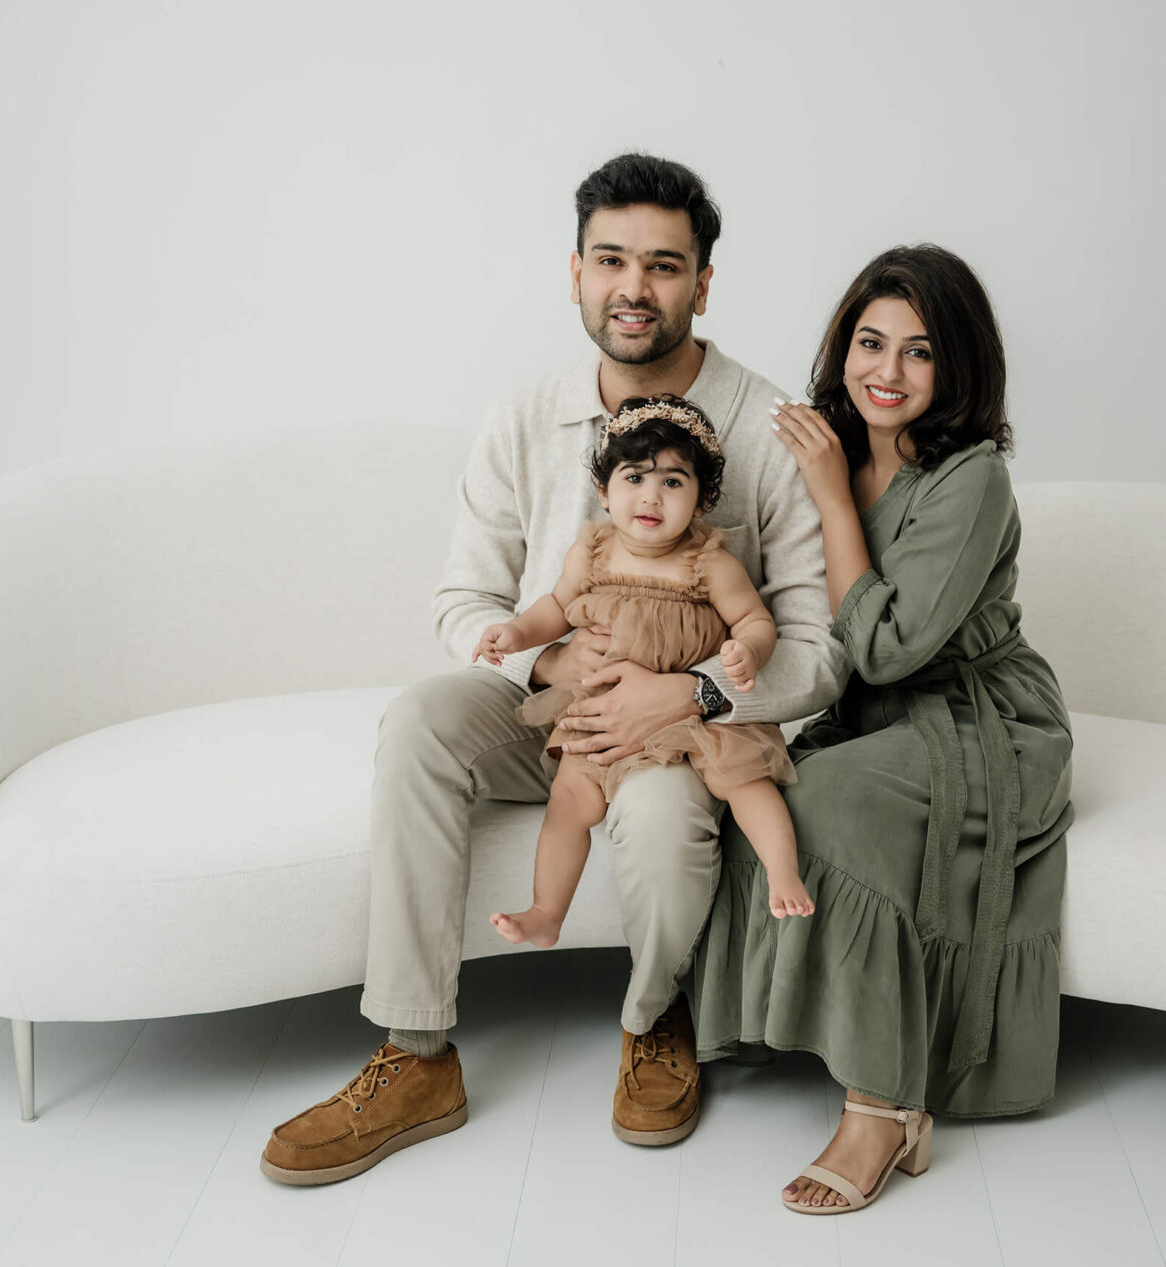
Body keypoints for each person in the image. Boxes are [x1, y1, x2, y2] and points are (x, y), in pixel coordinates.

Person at [260, 154, 842, 1185]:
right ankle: (415, 1052)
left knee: (662, 823)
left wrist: (697, 686)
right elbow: (463, 601)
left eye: (663, 266)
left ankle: (656, 1017)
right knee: (420, 724)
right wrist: (547, 650)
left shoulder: (764, 426)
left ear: (702, 284)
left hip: (683, 737)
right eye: (611, 260)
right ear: (574, 272)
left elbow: (819, 644)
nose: (634, 287)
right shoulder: (522, 420)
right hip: (548, 709)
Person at [690, 244, 1075, 1213]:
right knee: (748, 784)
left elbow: (895, 646)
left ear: (957, 368)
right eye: (870, 342)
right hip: (875, 715)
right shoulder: (824, 443)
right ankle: (732, 1029)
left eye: (918, 352)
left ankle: (881, 1110)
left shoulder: (969, 477)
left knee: (833, 802)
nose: (886, 373)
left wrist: (830, 498)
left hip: (986, 722)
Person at [476, 393, 814, 948]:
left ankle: (783, 872)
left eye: (674, 482)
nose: (652, 496)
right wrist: (516, 634)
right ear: (605, 493)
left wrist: (747, 651)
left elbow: (755, 617)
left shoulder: (708, 562)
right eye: (634, 478)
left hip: (687, 711)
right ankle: (545, 911)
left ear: (702, 500)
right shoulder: (591, 553)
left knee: (744, 779)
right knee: (570, 800)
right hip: (603, 710)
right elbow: (554, 609)